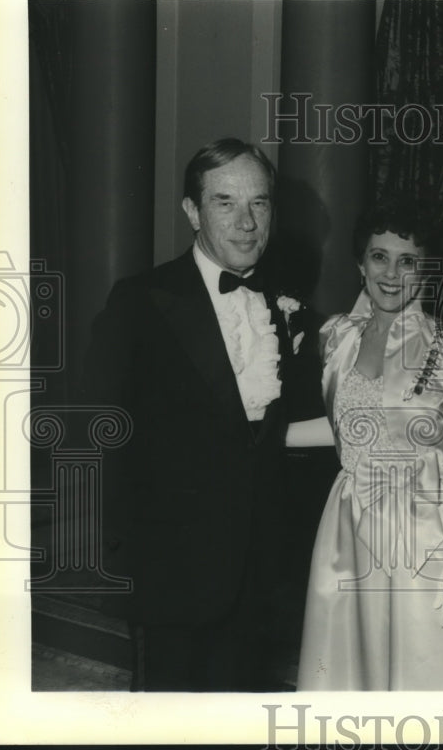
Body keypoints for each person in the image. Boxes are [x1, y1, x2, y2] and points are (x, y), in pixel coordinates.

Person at [84, 138, 301, 691]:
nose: (247, 221)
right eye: (225, 202)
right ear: (191, 212)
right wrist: (123, 559)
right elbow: (99, 435)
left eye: (260, 203)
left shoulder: (279, 303)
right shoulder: (140, 300)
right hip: (170, 576)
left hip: (255, 577)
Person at [287, 200, 443, 690]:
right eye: (379, 256)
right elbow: (354, 428)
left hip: (427, 533)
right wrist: (257, 436)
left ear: (425, 267)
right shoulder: (339, 337)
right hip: (348, 526)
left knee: (426, 677)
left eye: (407, 260)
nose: (391, 272)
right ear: (359, 264)